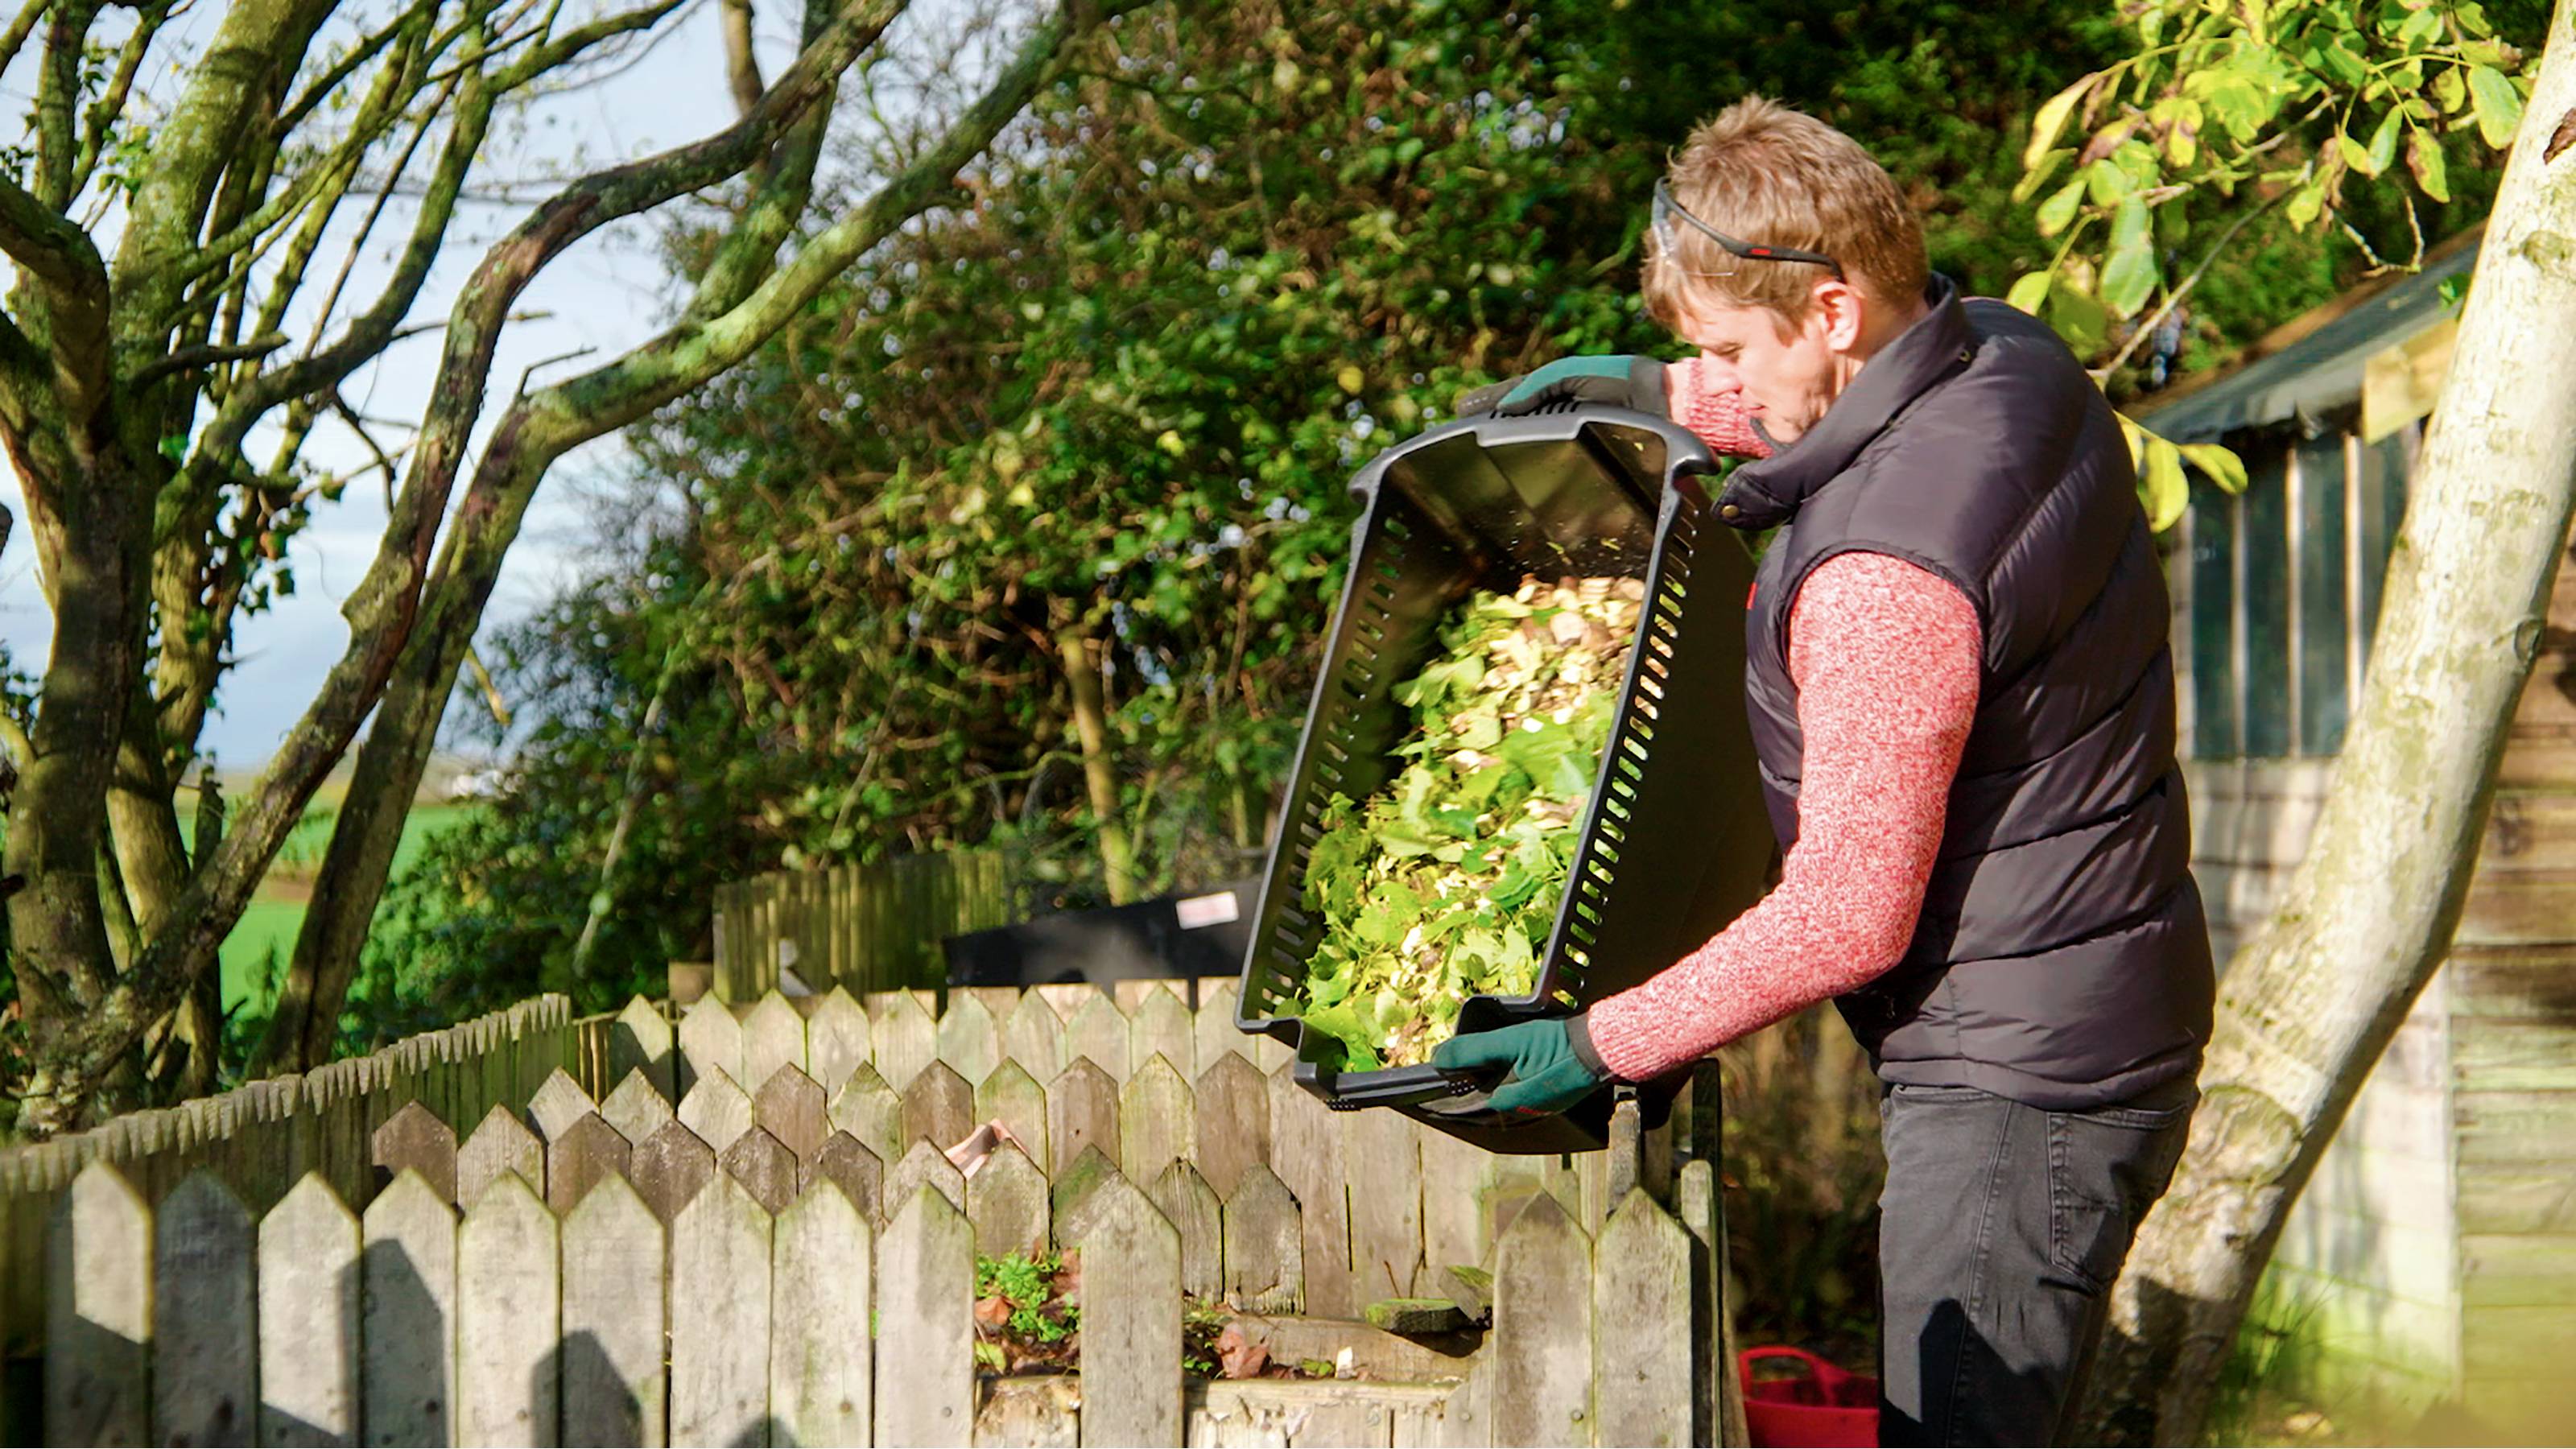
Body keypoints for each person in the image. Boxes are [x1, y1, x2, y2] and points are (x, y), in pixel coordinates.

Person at [1432, 96, 2215, 1447]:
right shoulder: (2009, 356)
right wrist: (1658, 396)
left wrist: (1598, 1043)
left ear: (1835, 309)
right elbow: (1858, 402)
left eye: (1729, 348)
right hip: (2091, 998)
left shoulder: (1882, 582)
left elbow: (1848, 915)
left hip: (2016, 1088)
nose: (1719, 376)